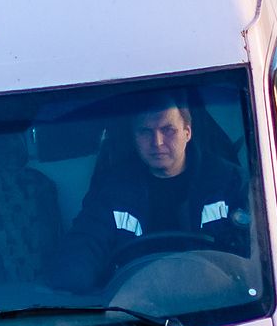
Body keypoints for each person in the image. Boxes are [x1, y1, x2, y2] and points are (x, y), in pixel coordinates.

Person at [53, 95, 253, 291]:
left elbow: (256, 249)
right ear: (134, 137)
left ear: (187, 132)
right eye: (145, 132)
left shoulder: (230, 182)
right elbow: (86, 240)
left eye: (168, 130)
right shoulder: (113, 189)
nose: (157, 142)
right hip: (136, 309)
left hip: (216, 303)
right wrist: (73, 280)